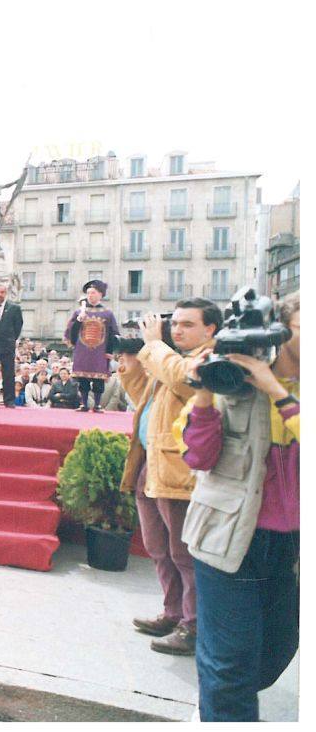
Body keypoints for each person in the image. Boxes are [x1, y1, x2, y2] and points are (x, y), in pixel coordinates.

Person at [174, 293, 299, 721]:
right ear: (282, 333)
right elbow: (197, 458)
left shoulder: (291, 390)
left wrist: (277, 391)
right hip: (228, 540)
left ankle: (216, 700)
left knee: (275, 654)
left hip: (289, 548)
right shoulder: (233, 382)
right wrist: (207, 392)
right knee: (230, 668)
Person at [118, 300, 220, 656]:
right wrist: (131, 362)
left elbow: (182, 379)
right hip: (152, 463)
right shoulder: (171, 357)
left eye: (187, 324)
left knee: (182, 553)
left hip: (179, 469)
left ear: (211, 330)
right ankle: (173, 612)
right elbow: (145, 402)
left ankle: (193, 626)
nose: (176, 330)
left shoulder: (209, 360)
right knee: (158, 548)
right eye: (173, 323)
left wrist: (153, 344)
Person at [65, 280, 121, 412]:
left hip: (100, 351)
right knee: (82, 379)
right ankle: (84, 403)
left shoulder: (107, 313)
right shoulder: (80, 312)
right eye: (88, 293)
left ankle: (97, 404)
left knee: (98, 379)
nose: (90, 295)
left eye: (93, 293)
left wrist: (110, 351)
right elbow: (71, 330)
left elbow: (113, 333)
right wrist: (79, 321)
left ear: (100, 295)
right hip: (82, 350)